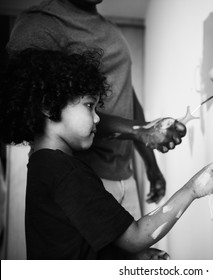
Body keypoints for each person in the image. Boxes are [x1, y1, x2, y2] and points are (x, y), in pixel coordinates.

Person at [0, 48, 213, 260]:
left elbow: (79, 243)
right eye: (89, 106)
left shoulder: (42, 165)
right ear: (49, 106)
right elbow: (135, 237)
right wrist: (192, 189)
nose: (98, 118)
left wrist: (129, 258)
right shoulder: (66, 172)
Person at [6, 0, 186, 219]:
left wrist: (151, 163)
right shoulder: (40, 23)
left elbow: (126, 93)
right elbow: (29, 102)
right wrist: (139, 130)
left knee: (135, 248)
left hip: (124, 176)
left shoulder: (110, 29)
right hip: (78, 177)